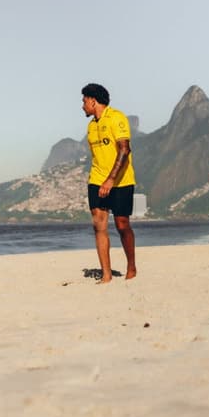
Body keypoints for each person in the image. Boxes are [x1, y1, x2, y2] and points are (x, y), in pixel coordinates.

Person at [81, 83, 137, 282]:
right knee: (99, 225)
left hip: (120, 180)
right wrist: (101, 181)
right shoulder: (91, 126)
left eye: (84, 101)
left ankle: (131, 266)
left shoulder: (116, 117)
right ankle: (106, 274)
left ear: (93, 100)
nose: (82, 106)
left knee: (122, 225)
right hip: (96, 179)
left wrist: (111, 179)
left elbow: (124, 150)